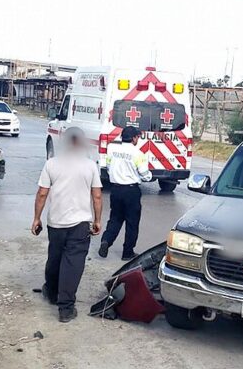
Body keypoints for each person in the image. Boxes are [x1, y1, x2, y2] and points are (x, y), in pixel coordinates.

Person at [31, 128, 103, 322]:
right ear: (81, 142)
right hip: (80, 224)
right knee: (73, 263)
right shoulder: (90, 166)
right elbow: (96, 195)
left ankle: (52, 293)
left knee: (55, 257)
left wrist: (36, 218)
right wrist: (97, 220)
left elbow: (42, 193)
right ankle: (65, 308)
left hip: (56, 222)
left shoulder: (52, 164)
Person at [99, 126, 152, 261]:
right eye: (137, 137)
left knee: (115, 219)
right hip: (131, 191)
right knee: (132, 223)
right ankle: (127, 252)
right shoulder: (138, 154)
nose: (138, 140)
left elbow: (108, 167)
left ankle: (106, 240)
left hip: (116, 190)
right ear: (134, 138)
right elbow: (145, 175)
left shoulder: (113, 150)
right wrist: (149, 176)